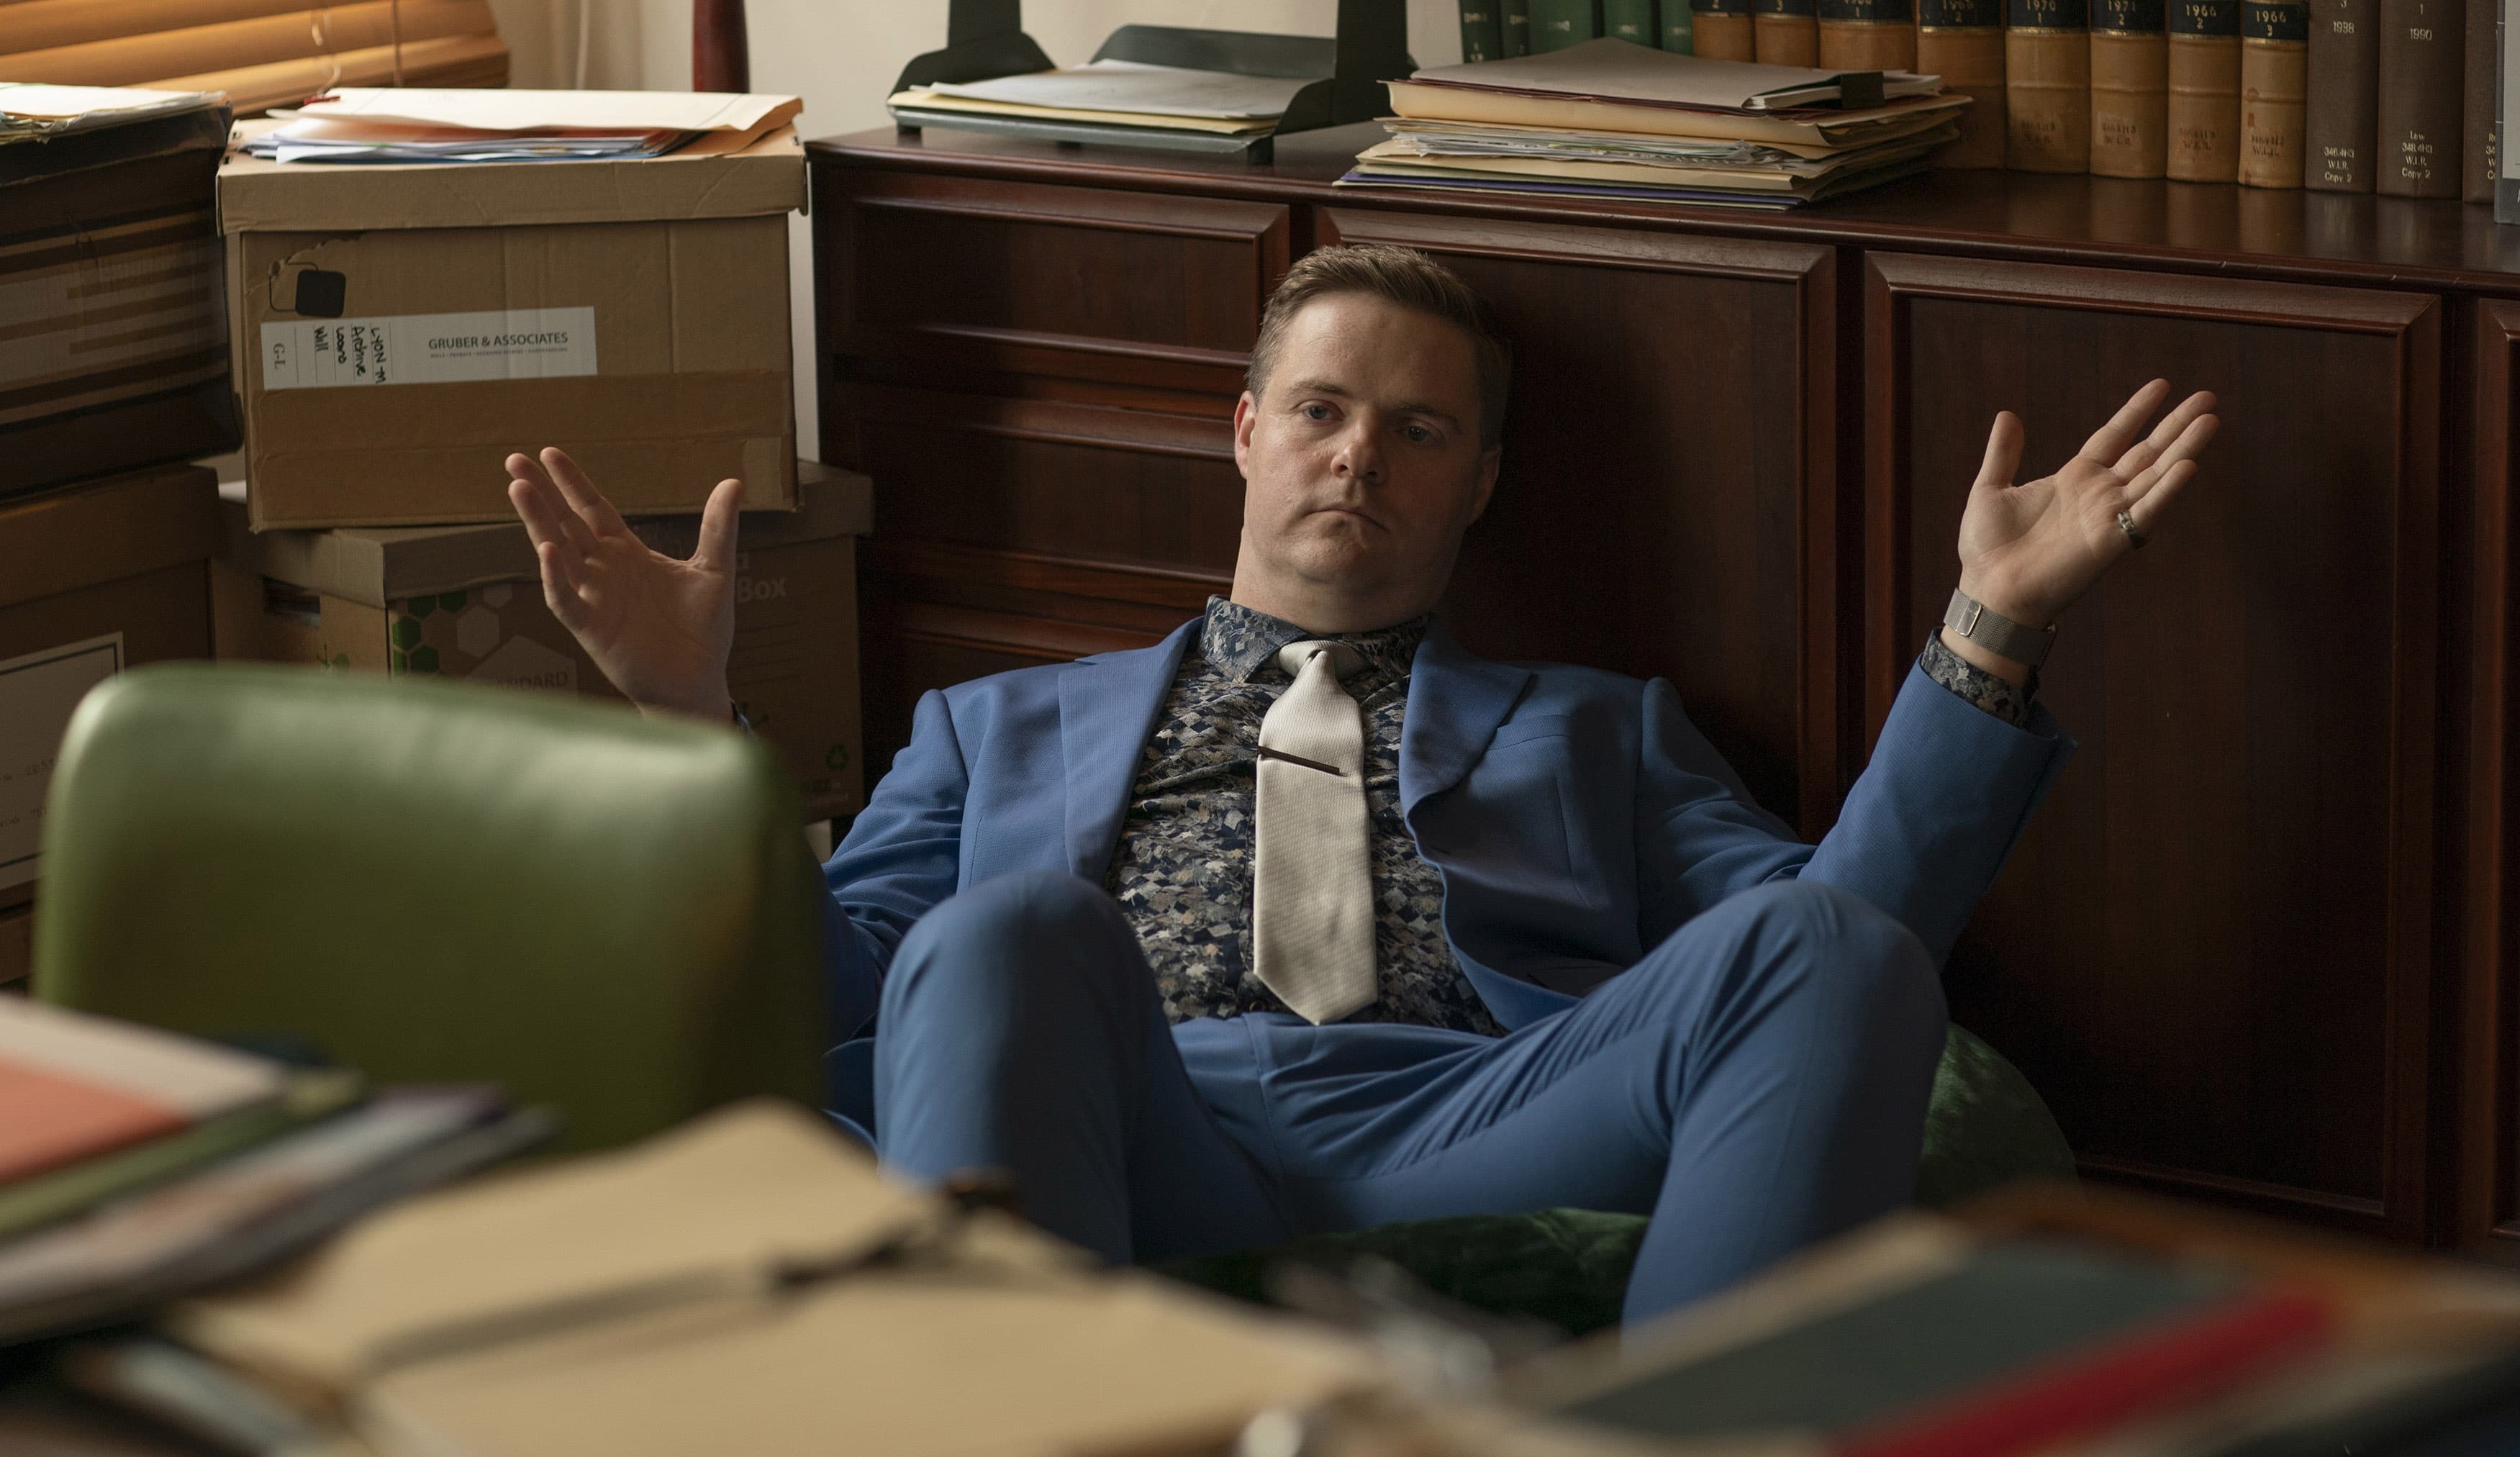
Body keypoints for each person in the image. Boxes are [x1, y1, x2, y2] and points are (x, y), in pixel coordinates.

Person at [504, 245, 2217, 1325]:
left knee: (1832, 952)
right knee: (1001, 930)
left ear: (1483, 482)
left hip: (1465, 1116)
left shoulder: (1601, 727)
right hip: (1126, 1110)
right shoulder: (988, 725)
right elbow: (826, 999)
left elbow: (1849, 937)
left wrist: (1990, 627)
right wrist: (691, 715)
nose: (1358, 455)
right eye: (1322, 409)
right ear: (1246, 431)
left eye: (1419, 430)